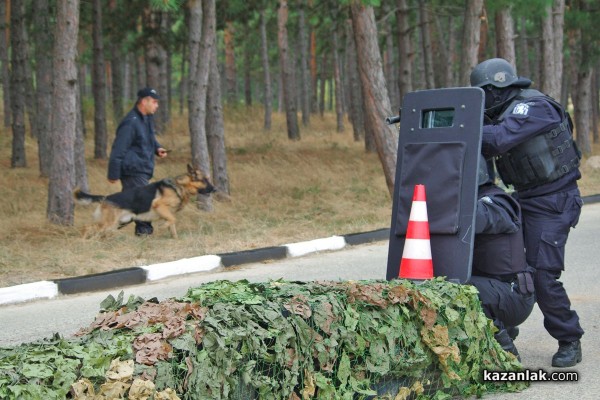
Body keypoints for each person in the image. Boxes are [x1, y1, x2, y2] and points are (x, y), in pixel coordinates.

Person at [470, 58, 584, 367]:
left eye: (485, 92)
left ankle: (569, 337)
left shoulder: (534, 107)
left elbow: (498, 140)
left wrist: (463, 124)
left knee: (542, 273)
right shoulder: (503, 113)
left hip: (554, 202)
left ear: (499, 87)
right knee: (504, 264)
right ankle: (505, 322)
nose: (485, 99)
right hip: (526, 199)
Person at [469, 155, 535, 360]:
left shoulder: (497, 201)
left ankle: (507, 355)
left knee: (464, 290)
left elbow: (479, 216)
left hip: (514, 294)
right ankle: (504, 327)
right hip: (499, 289)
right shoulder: (477, 198)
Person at [107, 87, 168, 236]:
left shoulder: (145, 119)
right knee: (143, 204)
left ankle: (103, 229)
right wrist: (113, 173)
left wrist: (157, 148)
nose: (157, 105)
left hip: (142, 169)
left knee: (129, 207)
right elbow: (118, 149)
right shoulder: (131, 122)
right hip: (133, 170)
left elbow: (149, 139)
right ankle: (144, 235)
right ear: (144, 101)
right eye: (154, 102)